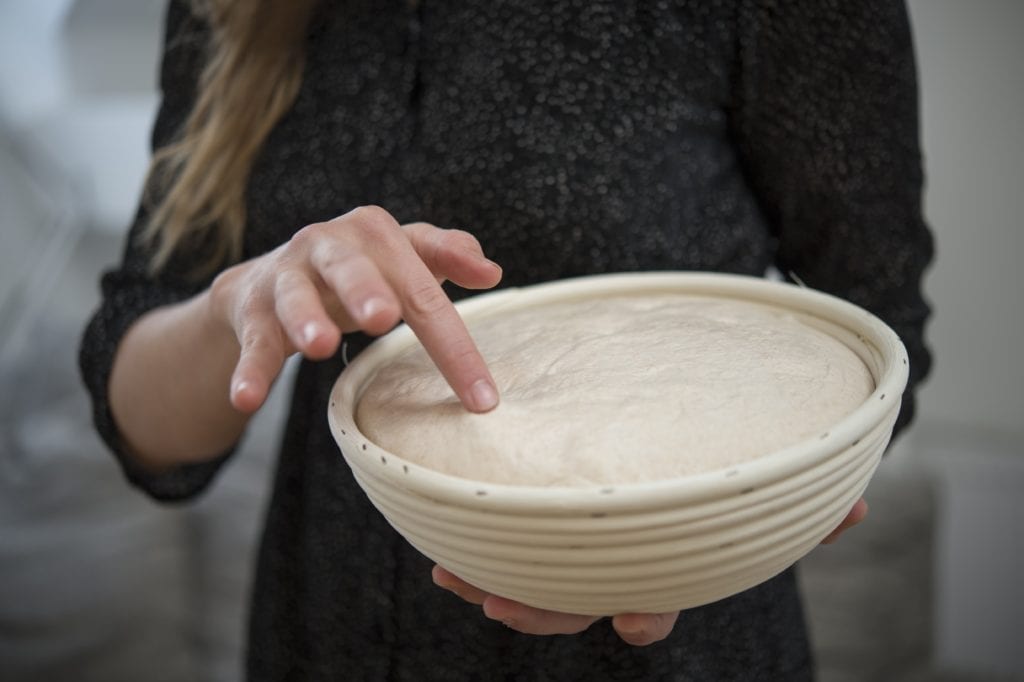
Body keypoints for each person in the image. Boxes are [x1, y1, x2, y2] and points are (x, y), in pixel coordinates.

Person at [80, 0, 933, 679]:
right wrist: (246, 299)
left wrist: (708, 547)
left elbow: (877, 327)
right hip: (328, 625)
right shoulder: (234, 9)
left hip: (672, 649)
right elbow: (150, 439)